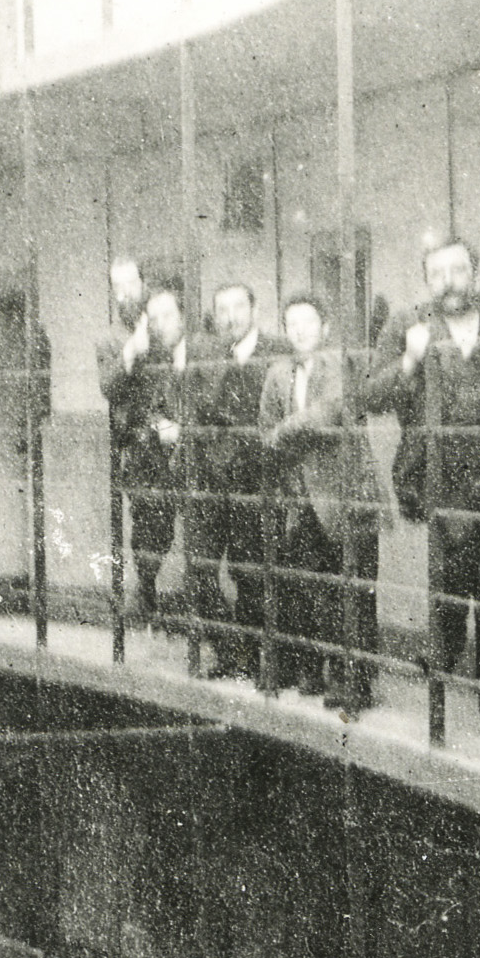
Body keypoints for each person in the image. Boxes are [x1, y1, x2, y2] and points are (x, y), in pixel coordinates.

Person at [359, 237, 480, 741]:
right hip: (441, 476)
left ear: (475, 274)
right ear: (426, 278)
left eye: (459, 270)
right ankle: (439, 690)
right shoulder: (408, 325)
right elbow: (370, 393)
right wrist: (410, 362)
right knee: (451, 588)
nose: (449, 280)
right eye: (438, 272)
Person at [259, 292, 384, 707]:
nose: (299, 330)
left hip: (348, 494)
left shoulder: (341, 364)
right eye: (292, 322)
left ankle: (358, 683)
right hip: (305, 500)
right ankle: (331, 672)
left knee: (357, 592)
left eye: (308, 322)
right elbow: (265, 432)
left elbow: (325, 413)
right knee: (321, 591)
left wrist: (285, 431)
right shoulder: (277, 374)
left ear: (324, 328)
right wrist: (281, 435)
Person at [188, 282, 291, 679]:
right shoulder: (205, 354)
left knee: (251, 571)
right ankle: (228, 648)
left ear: (255, 309)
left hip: (258, 477)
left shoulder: (277, 350)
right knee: (199, 568)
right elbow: (189, 404)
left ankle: (251, 657)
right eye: (222, 309)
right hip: (211, 478)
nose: (230, 316)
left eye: (238, 307)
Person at [102, 283, 202, 623]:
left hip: (200, 459)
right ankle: (145, 591)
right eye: (153, 317)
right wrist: (156, 423)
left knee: (204, 545)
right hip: (155, 460)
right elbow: (120, 395)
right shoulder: (147, 355)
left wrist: (184, 428)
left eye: (168, 315)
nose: (161, 323)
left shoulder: (203, 350)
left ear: (184, 317)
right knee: (149, 532)